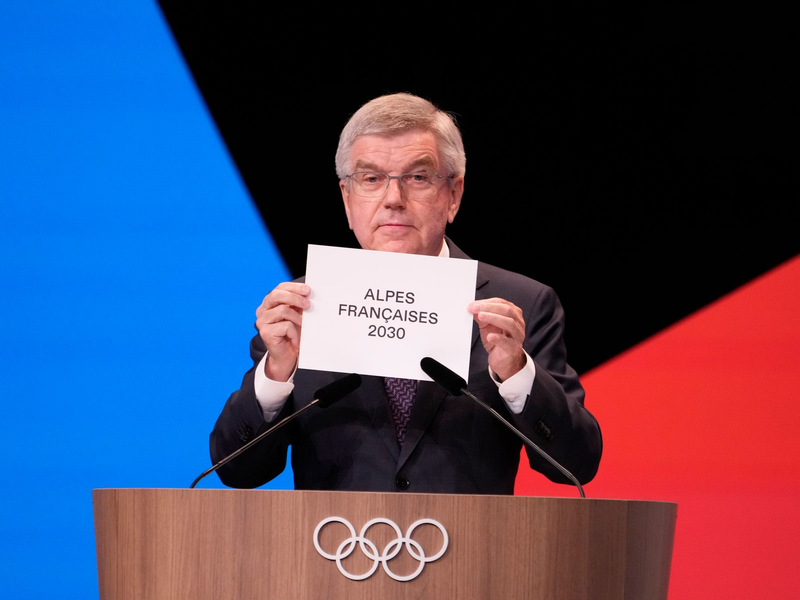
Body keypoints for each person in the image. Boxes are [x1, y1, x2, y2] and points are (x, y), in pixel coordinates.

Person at [210, 92, 602, 494]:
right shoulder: (301, 306)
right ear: (347, 199)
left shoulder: (520, 304)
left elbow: (578, 463)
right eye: (371, 179)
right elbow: (237, 471)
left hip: (471, 550)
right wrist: (277, 373)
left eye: (417, 177)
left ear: (454, 194)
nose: (393, 200)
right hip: (335, 550)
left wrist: (517, 372)